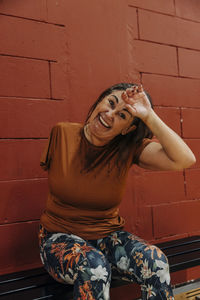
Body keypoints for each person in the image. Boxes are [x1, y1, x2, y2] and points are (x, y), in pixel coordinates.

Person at [39, 83, 196, 300]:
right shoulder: (61, 133)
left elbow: (185, 159)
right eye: (110, 103)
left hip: (106, 236)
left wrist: (148, 115)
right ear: (99, 101)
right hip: (58, 238)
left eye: (122, 115)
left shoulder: (127, 149)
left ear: (127, 129)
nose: (110, 114)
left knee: (155, 261)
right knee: (94, 268)